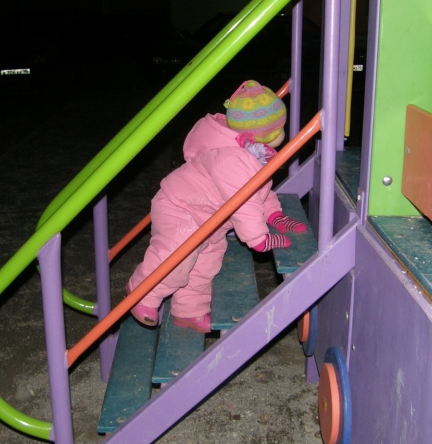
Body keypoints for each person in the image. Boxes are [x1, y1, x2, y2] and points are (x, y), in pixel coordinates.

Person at [127, 80, 307, 333]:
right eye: (280, 128)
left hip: (208, 219)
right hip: (181, 208)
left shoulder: (252, 152)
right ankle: (142, 295)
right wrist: (259, 238)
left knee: (206, 264)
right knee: (177, 254)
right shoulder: (233, 160)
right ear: (269, 133)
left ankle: (188, 312)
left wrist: (274, 214)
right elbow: (244, 201)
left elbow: (259, 190)